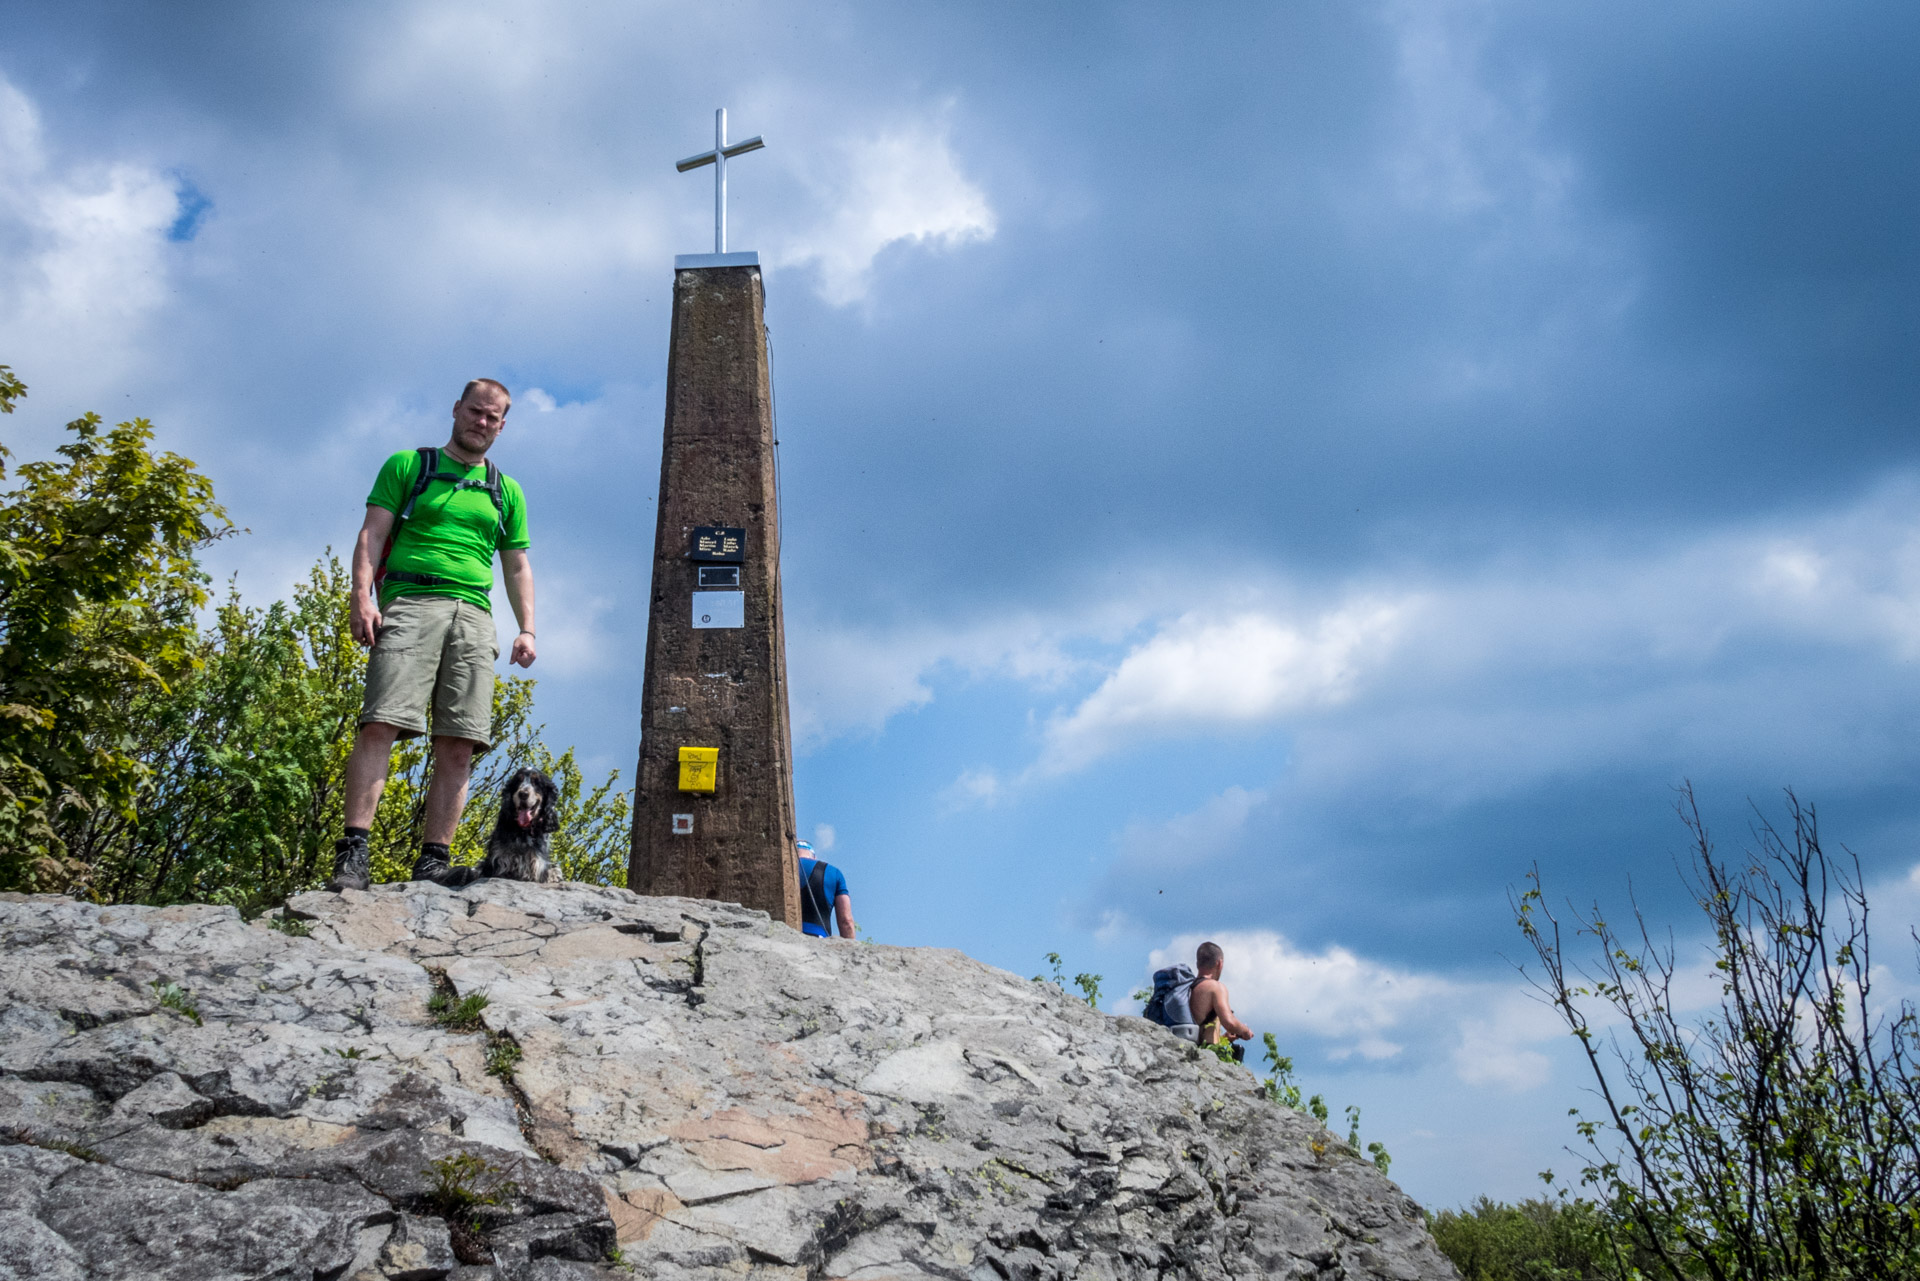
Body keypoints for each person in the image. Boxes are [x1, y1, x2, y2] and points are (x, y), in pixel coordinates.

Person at [323, 379, 536, 892]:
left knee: (460, 742)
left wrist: (527, 627)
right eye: (475, 412)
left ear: (502, 426)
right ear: (457, 410)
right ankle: (353, 854)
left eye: (492, 418)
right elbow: (372, 533)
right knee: (381, 723)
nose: (481, 423)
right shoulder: (409, 466)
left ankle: (434, 862)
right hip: (412, 601)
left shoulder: (506, 491)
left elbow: (516, 564)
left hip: (474, 615)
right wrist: (361, 597)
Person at [1188, 940, 1252, 1062]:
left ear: (1197, 964)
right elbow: (1230, 1023)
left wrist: (1225, 1038)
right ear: (1219, 964)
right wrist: (1245, 1031)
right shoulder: (1215, 987)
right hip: (1206, 1057)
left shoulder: (1188, 987)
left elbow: (1199, 1027)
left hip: (1189, 1050)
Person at [796, 839, 855, 939]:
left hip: (784, 938)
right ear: (814, 857)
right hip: (818, 939)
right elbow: (846, 921)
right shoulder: (833, 872)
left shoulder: (782, 869)